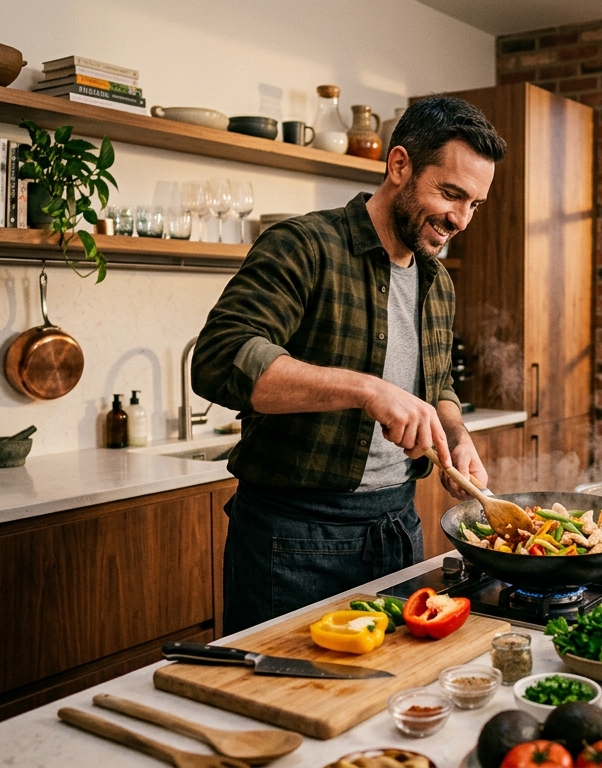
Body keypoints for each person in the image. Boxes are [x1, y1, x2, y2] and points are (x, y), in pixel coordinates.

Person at [191, 97, 507, 633]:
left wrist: (455, 434)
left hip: (398, 529)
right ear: (400, 165)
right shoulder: (304, 246)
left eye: (474, 204)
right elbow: (221, 355)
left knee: (388, 702)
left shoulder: (437, 280)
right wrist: (367, 389)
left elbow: (438, 384)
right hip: (292, 541)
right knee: (283, 702)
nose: (460, 219)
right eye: (451, 194)